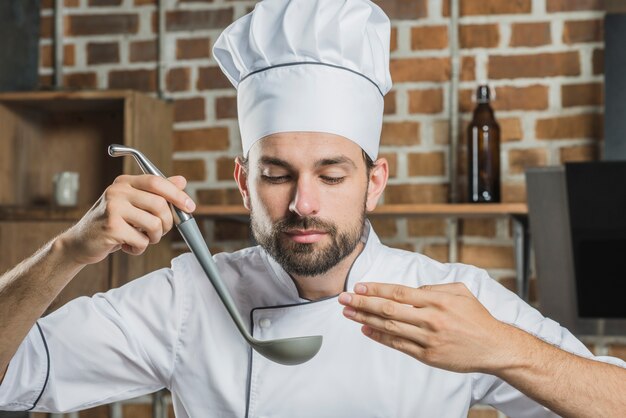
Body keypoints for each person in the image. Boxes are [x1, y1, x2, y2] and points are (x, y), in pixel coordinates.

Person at [1, 0, 625, 416]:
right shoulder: (190, 296)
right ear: (244, 182)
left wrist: (503, 348)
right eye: (277, 175)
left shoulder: (454, 297)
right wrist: (67, 251)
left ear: (374, 181)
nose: (304, 203)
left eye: (332, 174)